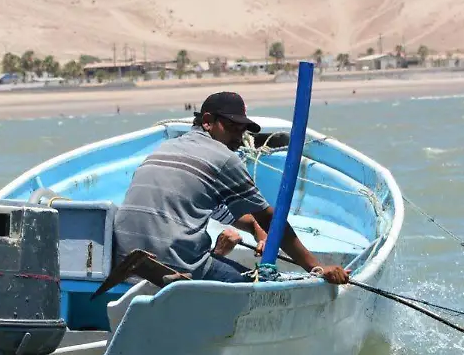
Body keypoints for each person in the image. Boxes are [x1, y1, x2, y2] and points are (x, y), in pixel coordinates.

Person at [113, 91, 349, 285]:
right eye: (232, 127)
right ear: (207, 121)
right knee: (254, 286)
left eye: (242, 130)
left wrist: (256, 230)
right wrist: (315, 267)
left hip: (124, 262)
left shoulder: (165, 148)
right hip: (172, 267)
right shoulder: (223, 158)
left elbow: (223, 211)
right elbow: (271, 220)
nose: (239, 137)